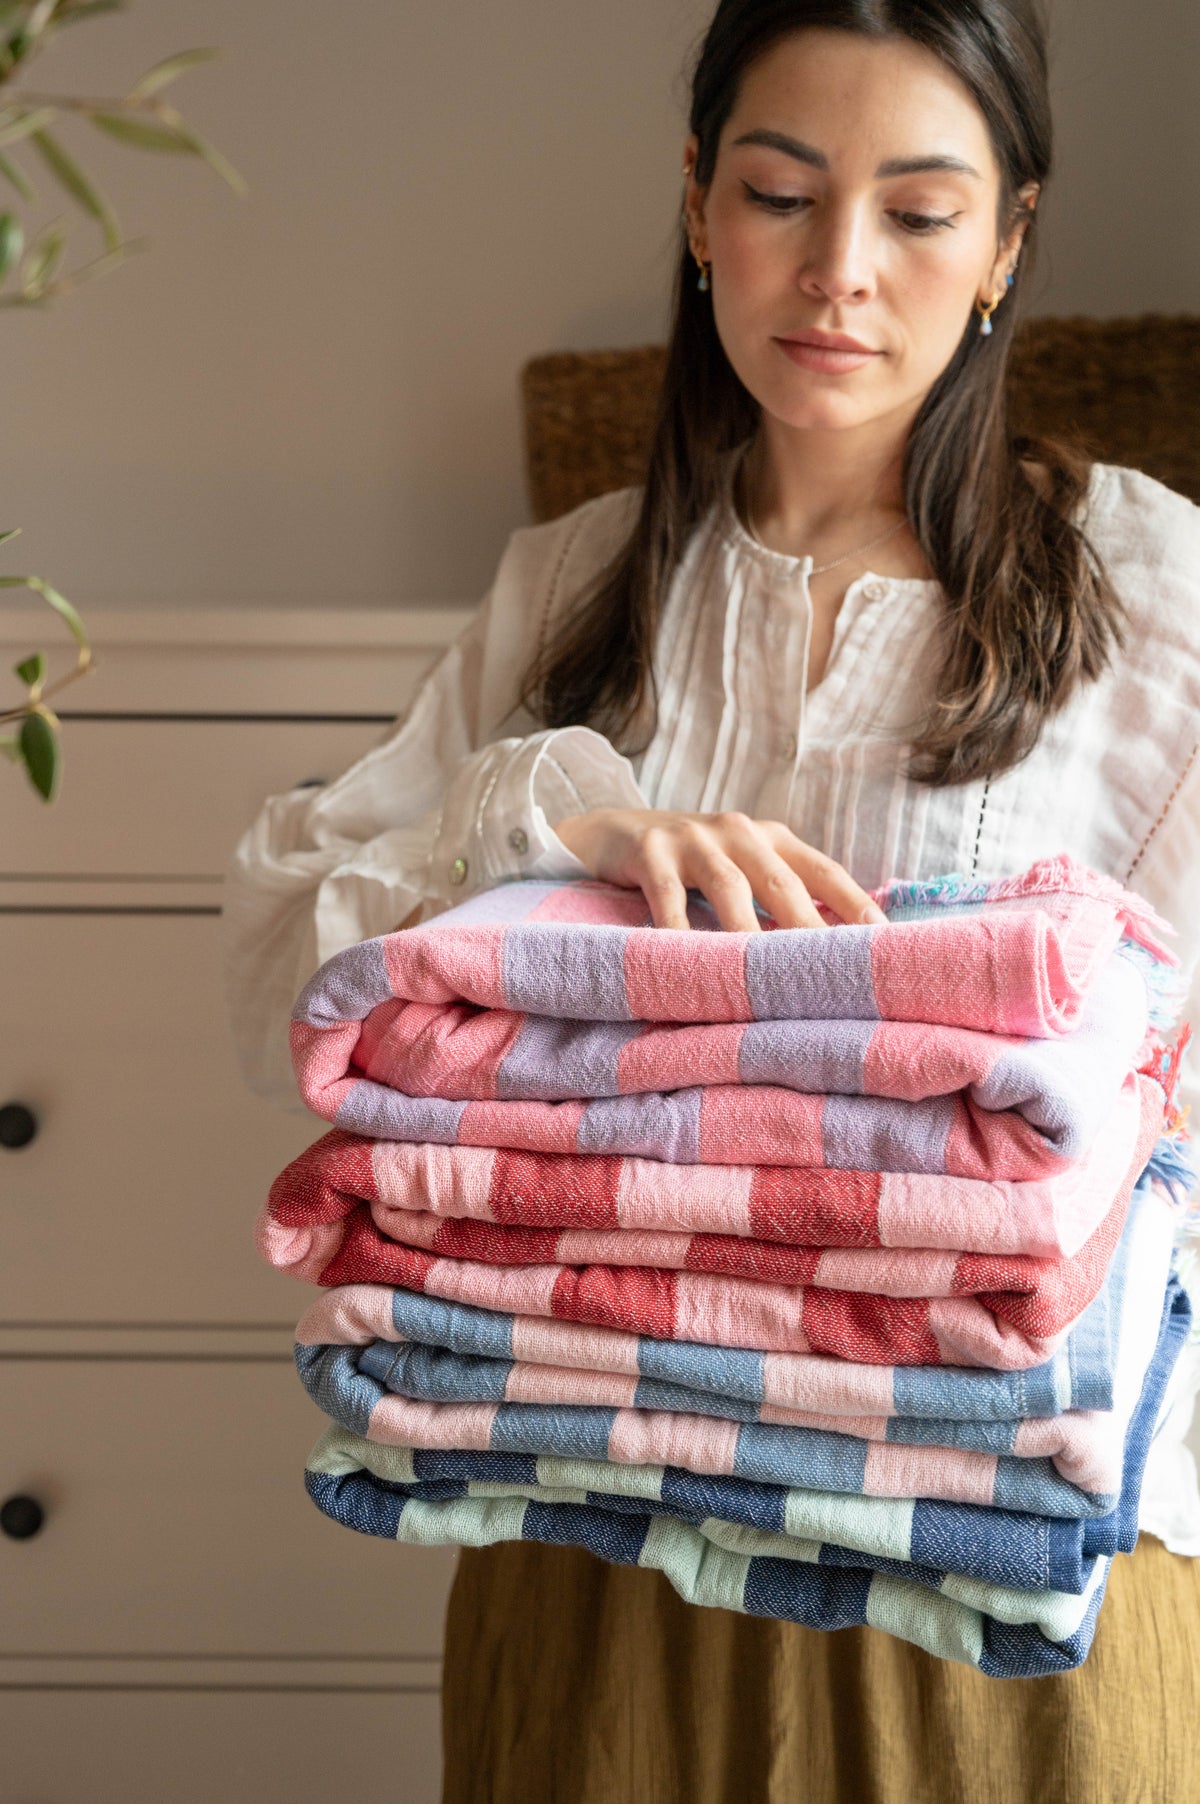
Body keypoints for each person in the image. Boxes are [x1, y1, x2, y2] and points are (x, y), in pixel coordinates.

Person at [225, 2, 1200, 1797]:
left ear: (1008, 244)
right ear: (696, 206)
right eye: (778, 190)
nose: (838, 272)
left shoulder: (1153, 600)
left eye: (918, 213)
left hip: (999, 1584)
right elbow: (284, 954)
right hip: (589, 1559)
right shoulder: (572, 587)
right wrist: (551, 826)